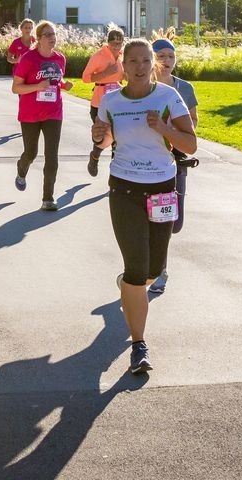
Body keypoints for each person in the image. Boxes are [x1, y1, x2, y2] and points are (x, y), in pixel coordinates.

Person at [91, 38, 196, 374]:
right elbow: (107, 139)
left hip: (161, 190)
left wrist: (163, 127)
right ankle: (139, 345)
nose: (139, 67)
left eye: (145, 61)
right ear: (123, 65)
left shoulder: (168, 97)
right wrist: (99, 135)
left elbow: (190, 144)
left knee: (153, 270)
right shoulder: (111, 101)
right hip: (124, 188)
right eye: (132, 61)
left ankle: (129, 286)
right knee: (137, 271)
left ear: (154, 64)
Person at [147, 36, 200, 295]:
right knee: (160, 218)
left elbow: (194, 120)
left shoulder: (184, 88)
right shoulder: (143, 87)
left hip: (177, 159)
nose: (167, 61)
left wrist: (174, 132)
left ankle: (153, 261)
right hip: (150, 160)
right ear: (153, 59)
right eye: (162, 56)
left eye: (171, 56)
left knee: (174, 222)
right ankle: (159, 269)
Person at [11, 20, 73, 212]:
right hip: (30, 113)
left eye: (54, 34)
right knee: (31, 152)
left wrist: (64, 84)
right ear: (38, 39)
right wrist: (37, 86)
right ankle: (22, 168)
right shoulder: (28, 59)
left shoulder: (60, 58)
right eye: (48, 35)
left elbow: (56, 80)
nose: (52, 38)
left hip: (53, 112)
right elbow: (16, 88)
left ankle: (48, 198)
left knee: (51, 156)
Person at [82, 27, 126, 177]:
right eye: (113, 43)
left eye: (119, 43)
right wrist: (106, 73)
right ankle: (94, 157)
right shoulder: (99, 56)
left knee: (118, 138)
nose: (116, 46)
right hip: (99, 102)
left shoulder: (123, 56)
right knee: (103, 135)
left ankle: (116, 172)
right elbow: (85, 78)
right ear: (108, 43)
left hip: (119, 102)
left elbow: (125, 75)